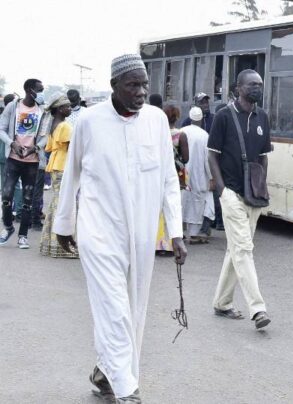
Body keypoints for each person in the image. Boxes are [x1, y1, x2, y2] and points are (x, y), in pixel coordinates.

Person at [54, 54, 186, 402]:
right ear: (114, 86)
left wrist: (175, 231)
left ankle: (106, 372)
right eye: (133, 85)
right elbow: (73, 174)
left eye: (145, 84)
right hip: (98, 230)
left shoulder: (156, 121)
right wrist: (64, 222)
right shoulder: (90, 121)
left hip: (142, 233)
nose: (141, 92)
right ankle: (128, 389)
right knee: (113, 307)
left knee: (134, 309)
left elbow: (169, 179)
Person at [209, 69, 272, 330]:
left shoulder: (262, 118)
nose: (257, 88)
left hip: (253, 194)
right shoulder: (224, 116)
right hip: (232, 193)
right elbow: (212, 155)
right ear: (239, 88)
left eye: (260, 84)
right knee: (244, 248)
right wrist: (222, 190)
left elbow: (264, 156)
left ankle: (222, 302)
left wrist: (261, 184)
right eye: (252, 84)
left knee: (235, 249)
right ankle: (257, 308)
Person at [0, 78, 49, 249]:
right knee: (6, 195)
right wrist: (11, 143)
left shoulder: (42, 111)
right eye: (39, 89)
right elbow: (1, 129)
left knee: (28, 199)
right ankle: (8, 228)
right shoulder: (13, 107)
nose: (42, 93)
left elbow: (45, 136)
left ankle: (23, 236)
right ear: (29, 89)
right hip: (13, 159)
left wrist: (35, 148)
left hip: (32, 161)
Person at [40, 93, 78, 258]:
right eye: (67, 106)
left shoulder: (54, 124)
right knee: (64, 205)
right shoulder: (65, 126)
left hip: (56, 165)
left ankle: (50, 243)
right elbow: (72, 148)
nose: (70, 108)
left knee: (56, 203)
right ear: (60, 109)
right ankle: (62, 244)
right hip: (63, 166)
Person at [156, 105, 188, 256]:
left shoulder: (158, 134)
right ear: (176, 117)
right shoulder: (180, 135)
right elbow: (186, 158)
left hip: (158, 174)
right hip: (175, 174)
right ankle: (170, 243)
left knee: (160, 210)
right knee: (173, 207)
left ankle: (158, 243)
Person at [181, 107, 215, 243]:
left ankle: (179, 232)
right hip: (200, 176)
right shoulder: (205, 136)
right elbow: (208, 159)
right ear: (201, 119)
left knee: (182, 202)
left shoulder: (182, 131)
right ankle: (194, 234)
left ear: (189, 118)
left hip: (182, 175)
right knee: (198, 204)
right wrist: (212, 178)